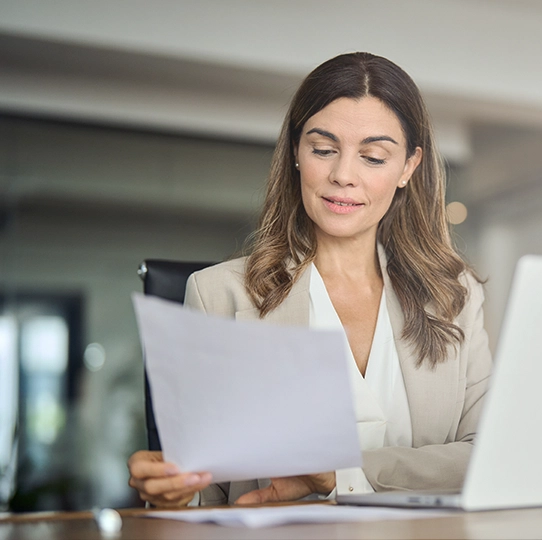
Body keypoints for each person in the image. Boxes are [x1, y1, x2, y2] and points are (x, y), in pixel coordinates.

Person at [127, 52, 492, 507]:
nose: (343, 175)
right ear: (297, 153)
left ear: (408, 168)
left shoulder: (455, 296)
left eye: (373, 157)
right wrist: (169, 497)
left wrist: (342, 473)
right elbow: (207, 495)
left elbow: (486, 459)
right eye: (323, 149)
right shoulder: (218, 293)